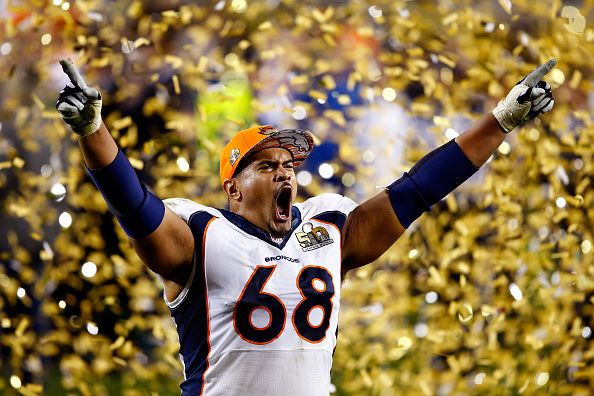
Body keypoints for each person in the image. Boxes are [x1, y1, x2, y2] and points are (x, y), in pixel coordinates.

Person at [56, 57, 556, 395]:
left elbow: (416, 190)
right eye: (267, 166)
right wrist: (92, 131)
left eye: (289, 166)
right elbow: (134, 207)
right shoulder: (202, 233)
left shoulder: (328, 225)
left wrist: (501, 121)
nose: (284, 173)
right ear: (233, 188)